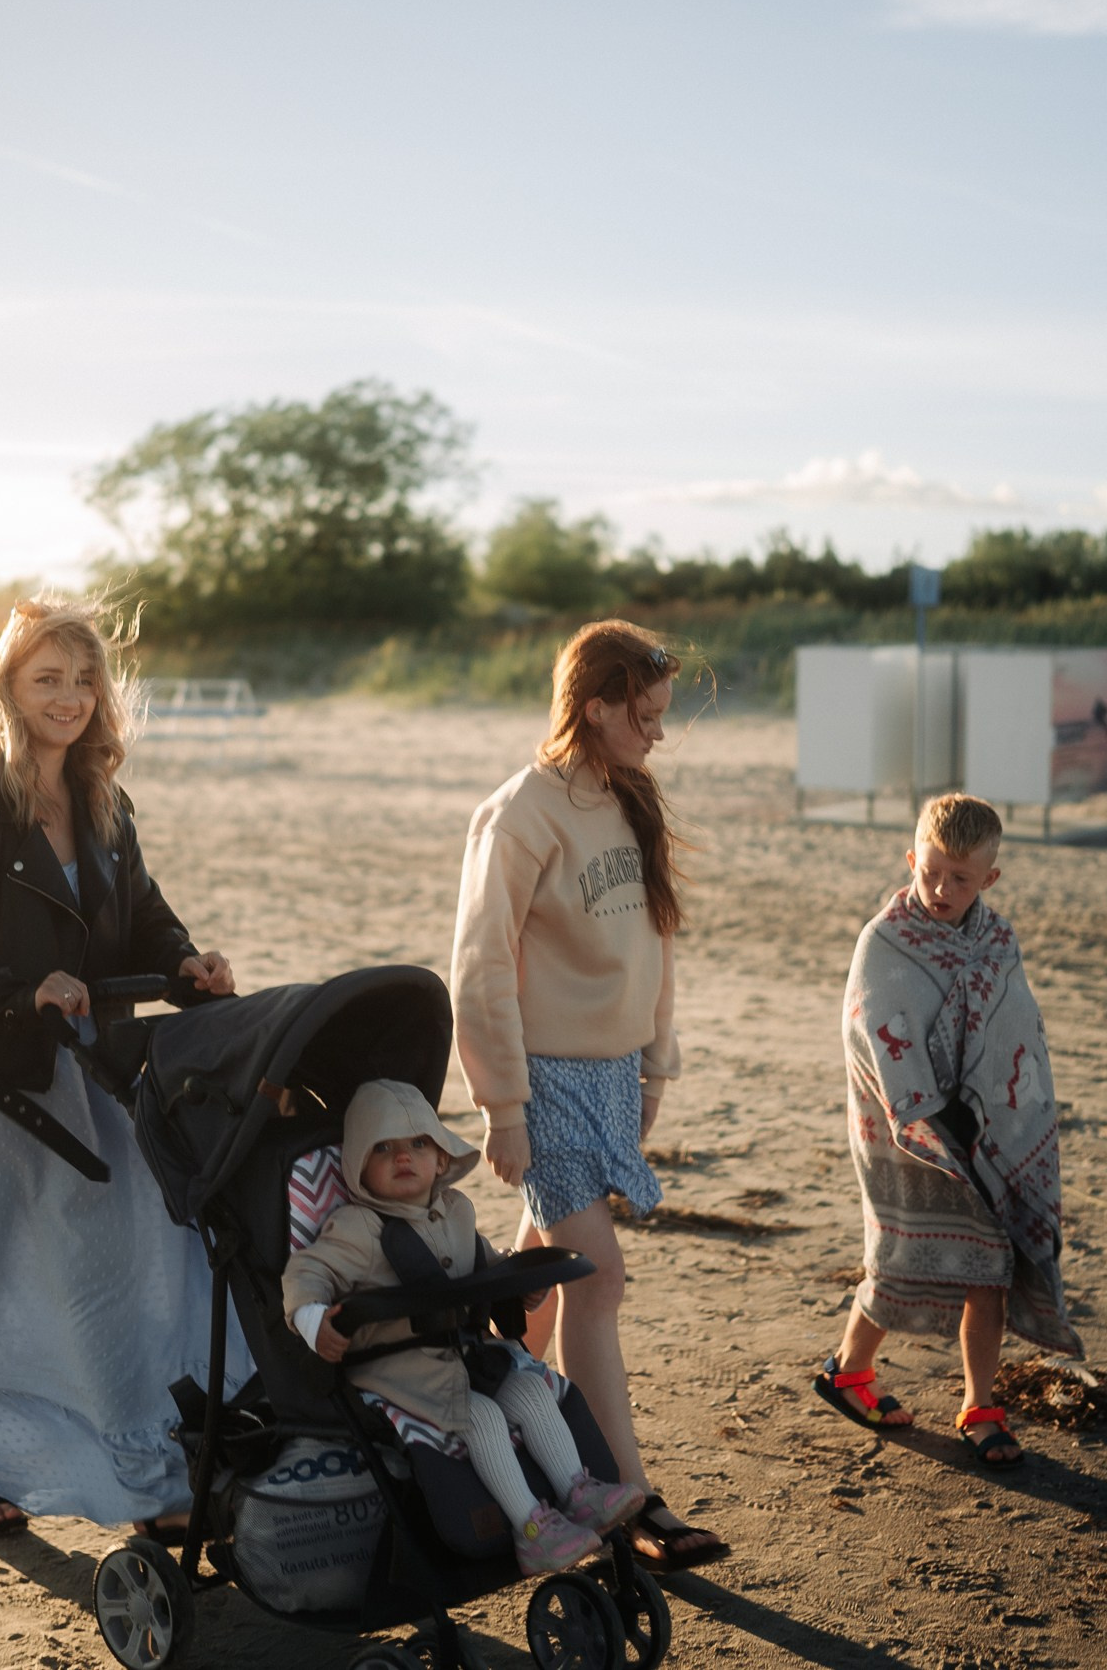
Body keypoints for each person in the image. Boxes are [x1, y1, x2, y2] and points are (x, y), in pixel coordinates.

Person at [0, 594, 238, 1537]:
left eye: (84, 679)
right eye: (49, 677)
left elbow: (146, 915)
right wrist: (22, 988)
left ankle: (133, 1448)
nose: (70, 696)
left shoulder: (104, 800)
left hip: (83, 1068)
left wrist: (185, 965)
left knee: (105, 1260)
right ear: (9, 685)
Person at [450, 619, 728, 1572]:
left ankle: (491, 1410)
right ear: (595, 704)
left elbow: (655, 941)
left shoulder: (627, 797)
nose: (656, 733)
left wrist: (656, 1061)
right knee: (596, 1279)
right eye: (643, 715)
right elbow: (479, 966)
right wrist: (504, 1106)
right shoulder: (520, 812)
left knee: (542, 1276)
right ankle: (630, 1498)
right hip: (548, 1079)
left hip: (613, 1075)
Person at [813, 792, 1081, 1465]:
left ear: (989, 878)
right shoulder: (885, 940)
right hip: (903, 1133)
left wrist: (991, 1110)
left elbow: (1018, 1032)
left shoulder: (997, 942)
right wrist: (927, 1105)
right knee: (903, 1255)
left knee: (989, 1261)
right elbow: (871, 1030)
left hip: (981, 1134)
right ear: (912, 858)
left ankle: (980, 1402)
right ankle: (847, 1368)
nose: (941, 888)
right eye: (930, 870)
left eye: (960, 878)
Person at [282, 1080, 647, 1574]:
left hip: (466, 1353)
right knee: (482, 1418)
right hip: (398, 1368)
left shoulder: (455, 1211)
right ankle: (532, 1528)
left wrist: (515, 1286)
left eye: (417, 1144)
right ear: (358, 1169)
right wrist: (311, 1318)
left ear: (440, 1158)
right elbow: (306, 1272)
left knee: (531, 1391)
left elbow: (485, 1264)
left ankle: (577, 1491)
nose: (403, 1157)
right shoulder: (357, 1228)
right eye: (383, 1149)